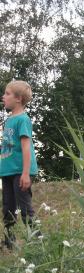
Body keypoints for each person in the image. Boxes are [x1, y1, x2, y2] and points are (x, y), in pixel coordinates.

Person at [0, 80, 39, 249]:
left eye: (7, 93)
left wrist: (25, 173)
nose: (3, 96)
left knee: (25, 209)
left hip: (20, 171)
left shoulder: (23, 120)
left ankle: (38, 241)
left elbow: (26, 147)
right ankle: (10, 241)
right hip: (8, 171)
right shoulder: (9, 120)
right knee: (8, 208)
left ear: (18, 99)